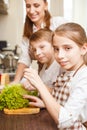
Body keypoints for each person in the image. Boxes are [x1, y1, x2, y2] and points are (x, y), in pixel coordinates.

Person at [23, 22, 87, 129]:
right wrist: (45, 104)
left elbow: (65, 121)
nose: (60, 55)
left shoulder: (84, 77)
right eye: (56, 49)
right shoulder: (68, 72)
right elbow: (65, 104)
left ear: (83, 49)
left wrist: (40, 85)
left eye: (67, 48)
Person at [13, 0, 67, 83]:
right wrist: (16, 81)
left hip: (63, 73)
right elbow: (25, 59)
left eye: (36, 5)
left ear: (45, 5)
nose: (31, 11)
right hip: (45, 74)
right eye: (28, 6)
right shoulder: (28, 32)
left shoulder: (58, 23)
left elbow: (74, 45)